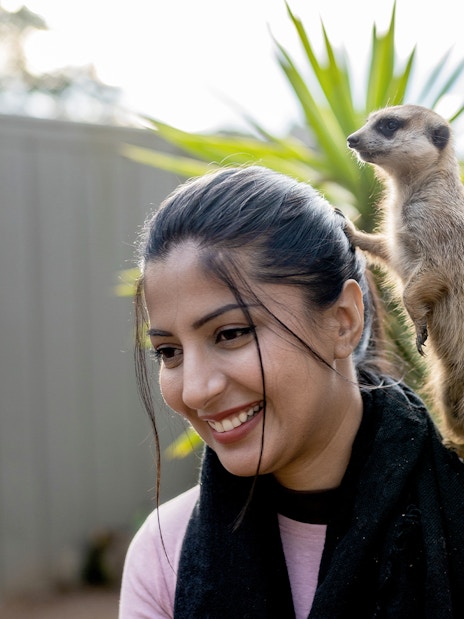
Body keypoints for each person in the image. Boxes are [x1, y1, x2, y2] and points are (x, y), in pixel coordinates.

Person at [119, 165, 464, 618]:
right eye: (168, 351)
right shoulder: (167, 550)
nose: (197, 390)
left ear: (342, 320)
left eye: (231, 334)